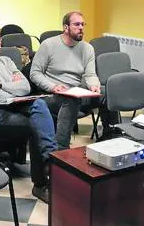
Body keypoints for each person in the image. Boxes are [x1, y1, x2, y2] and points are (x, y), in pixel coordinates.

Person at [0, 20, 57, 203]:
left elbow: (24, 88)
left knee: (40, 105)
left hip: (16, 105)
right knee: (36, 125)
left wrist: (0, 85)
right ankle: (43, 178)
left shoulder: (6, 61)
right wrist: (9, 87)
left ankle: (49, 159)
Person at [30, 11, 115, 150]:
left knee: (107, 93)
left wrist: (94, 86)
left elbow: (90, 74)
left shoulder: (87, 48)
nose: (81, 27)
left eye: (82, 24)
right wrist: (52, 86)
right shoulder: (49, 45)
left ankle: (110, 136)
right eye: (76, 24)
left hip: (77, 92)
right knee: (70, 100)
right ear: (66, 27)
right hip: (54, 95)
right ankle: (61, 149)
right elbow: (35, 73)